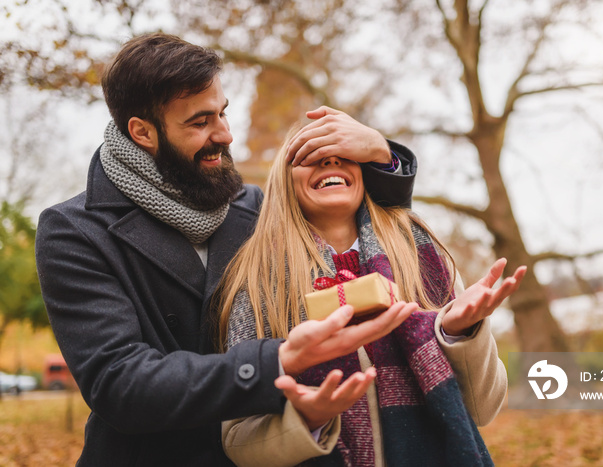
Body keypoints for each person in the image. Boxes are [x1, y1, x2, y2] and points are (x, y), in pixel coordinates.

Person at [34, 33, 420, 466]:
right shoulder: (74, 230)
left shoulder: (252, 205)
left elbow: (357, 228)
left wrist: (382, 156)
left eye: (223, 113)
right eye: (200, 123)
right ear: (142, 132)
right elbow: (121, 384)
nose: (225, 134)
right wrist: (279, 359)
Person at [218, 126, 527, 466]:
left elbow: (484, 409)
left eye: (343, 155)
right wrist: (308, 421)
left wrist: (459, 333)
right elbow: (238, 440)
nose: (330, 160)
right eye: (308, 157)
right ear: (283, 181)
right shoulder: (256, 280)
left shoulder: (419, 251)